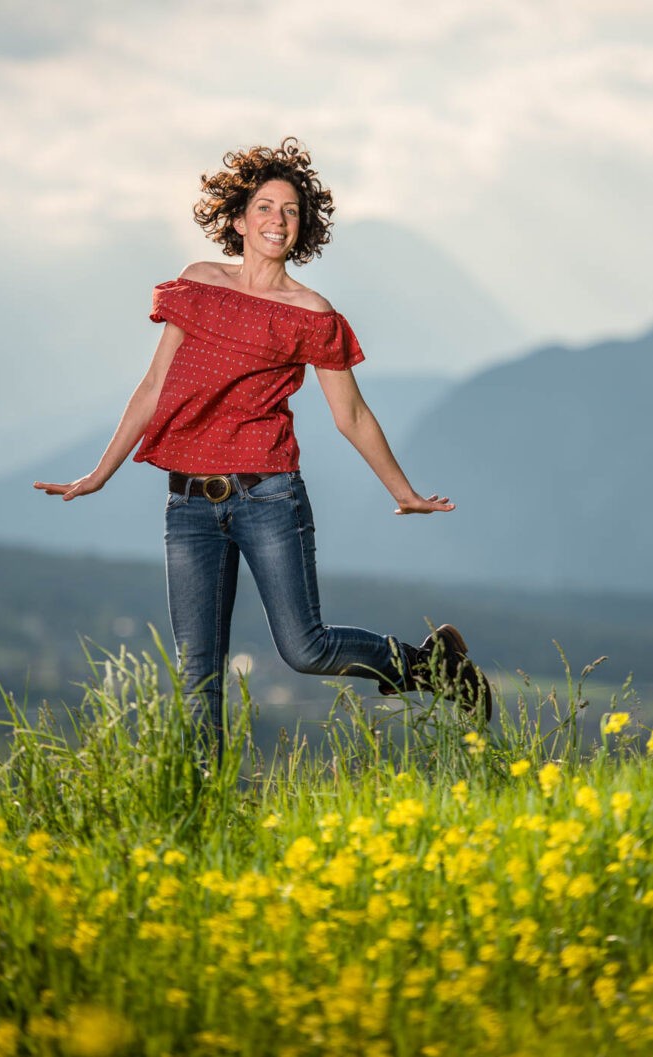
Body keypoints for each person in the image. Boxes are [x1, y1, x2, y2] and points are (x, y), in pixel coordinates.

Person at [34, 138, 491, 758]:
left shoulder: (310, 313)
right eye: (266, 207)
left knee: (306, 648)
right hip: (188, 506)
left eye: (292, 210)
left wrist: (403, 492)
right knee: (198, 673)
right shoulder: (196, 286)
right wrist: (100, 473)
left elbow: (350, 414)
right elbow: (152, 388)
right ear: (238, 219)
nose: (278, 219)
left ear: (302, 227)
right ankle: (203, 807)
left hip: (268, 497)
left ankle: (432, 667)